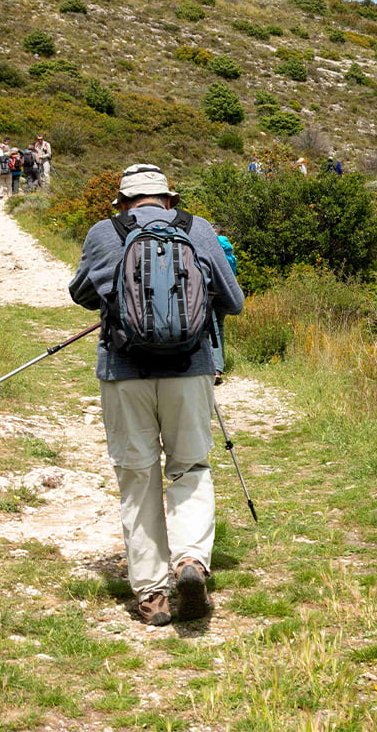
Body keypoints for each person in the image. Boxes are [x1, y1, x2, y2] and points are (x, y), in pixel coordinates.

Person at [69, 164, 244, 627]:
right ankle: (190, 562)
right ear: (169, 199)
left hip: (125, 372)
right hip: (190, 371)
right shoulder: (197, 229)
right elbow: (233, 300)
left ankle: (151, 594)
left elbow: (81, 294)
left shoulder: (104, 232)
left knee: (137, 473)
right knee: (190, 466)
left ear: (124, 202)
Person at [210, 224, 238, 386]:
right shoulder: (228, 249)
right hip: (225, 291)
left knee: (210, 328)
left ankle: (214, 369)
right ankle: (218, 367)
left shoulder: (207, 244)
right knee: (218, 326)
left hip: (211, 290)